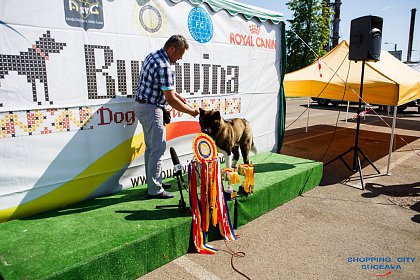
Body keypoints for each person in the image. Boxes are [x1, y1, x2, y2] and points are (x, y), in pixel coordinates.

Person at [134, 35, 199, 199]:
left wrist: (176, 94)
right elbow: (170, 100)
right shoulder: (165, 67)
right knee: (158, 148)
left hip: (142, 106)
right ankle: (155, 189)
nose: (180, 58)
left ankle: (153, 182)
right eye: (180, 54)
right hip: (152, 108)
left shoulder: (153, 56)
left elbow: (164, 88)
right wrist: (191, 112)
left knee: (151, 148)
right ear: (171, 49)